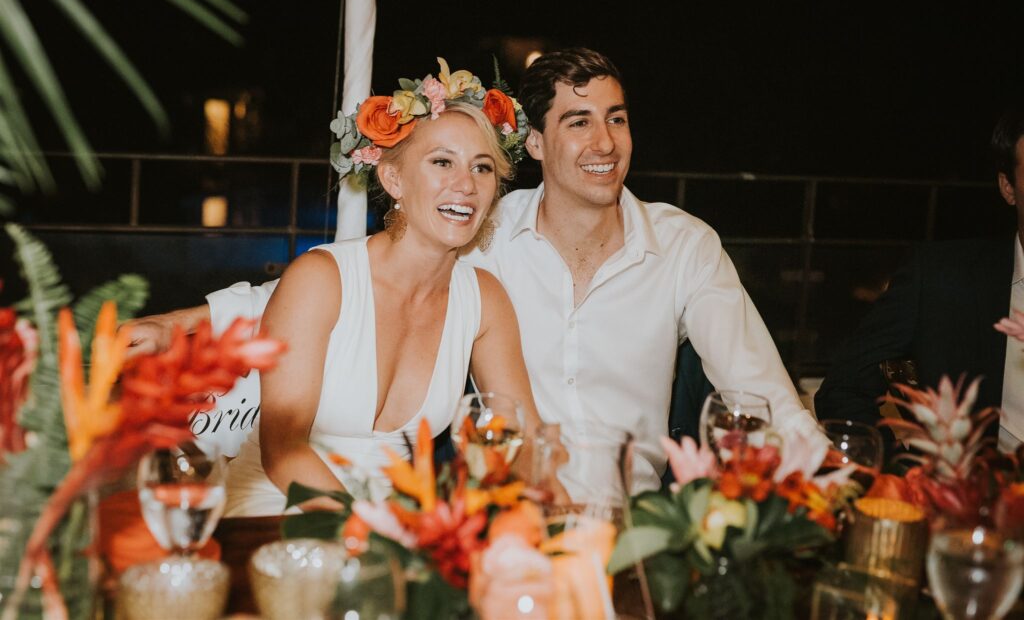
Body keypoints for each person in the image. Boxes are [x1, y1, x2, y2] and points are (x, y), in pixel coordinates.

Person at [130, 48, 823, 498]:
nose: (604, 142)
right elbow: (305, 297)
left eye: (616, 119)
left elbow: (758, 388)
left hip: (601, 515)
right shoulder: (480, 237)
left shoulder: (669, 248)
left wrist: (826, 474)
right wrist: (180, 323)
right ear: (541, 144)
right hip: (299, 520)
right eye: (579, 122)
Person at [217, 63, 546, 516]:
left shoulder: (484, 301)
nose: (466, 185)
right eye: (442, 162)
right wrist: (376, 536)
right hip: (280, 511)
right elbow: (284, 451)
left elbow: (523, 438)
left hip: (397, 529)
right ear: (394, 180)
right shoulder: (320, 279)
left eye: (482, 168)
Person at [814, 110, 1019, 451]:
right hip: (970, 496)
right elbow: (843, 390)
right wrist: (897, 477)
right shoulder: (942, 278)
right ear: (1008, 187)